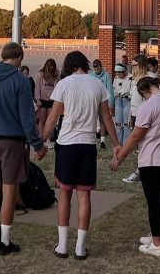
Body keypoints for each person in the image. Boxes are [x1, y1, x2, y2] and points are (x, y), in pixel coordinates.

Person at [41, 52, 119, 260]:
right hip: (87, 144)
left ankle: (63, 246)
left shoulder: (64, 84)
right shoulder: (97, 85)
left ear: (69, 65)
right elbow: (107, 118)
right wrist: (117, 144)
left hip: (66, 144)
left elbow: (52, 119)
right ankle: (80, 248)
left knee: (64, 194)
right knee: (84, 196)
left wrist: (41, 143)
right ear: (85, 64)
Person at [0, 42, 47, 256]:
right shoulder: (20, 81)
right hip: (12, 141)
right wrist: (37, 144)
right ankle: (4, 241)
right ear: (20, 58)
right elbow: (26, 117)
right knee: (8, 191)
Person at [110, 76, 160, 258]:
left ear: (143, 92)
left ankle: (157, 245)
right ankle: (157, 235)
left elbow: (135, 136)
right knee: (157, 198)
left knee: (154, 201)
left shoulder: (147, 106)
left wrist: (119, 157)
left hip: (151, 159)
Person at [121, 54, 149, 184]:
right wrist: (128, 116)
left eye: (136, 65)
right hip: (134, 114)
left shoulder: (147, 79)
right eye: (132, 65)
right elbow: (133, 99)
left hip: (143, 116)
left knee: (143, 145)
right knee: (139, 146)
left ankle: (140, 172)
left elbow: (149, 100)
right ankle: (140, 172)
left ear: (142, 65)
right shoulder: (135, 79)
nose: (134, 68)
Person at [89, 59, 113, 150]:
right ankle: (93, 140)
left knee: (103, 121)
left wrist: (111, 103)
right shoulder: (91, 76)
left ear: (101, 67)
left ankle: (102, 141)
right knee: (92, 120)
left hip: (103, 101)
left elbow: (109, 89)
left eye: (98, 69)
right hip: (93, 101)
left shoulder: (106, 76)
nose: (96, 71)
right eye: (94, 69)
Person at [34, 58, 58, 143]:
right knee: (42, 120)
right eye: (49, 68)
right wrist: (38, 100)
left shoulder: (56, 75)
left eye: (52, 68)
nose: (51, 70)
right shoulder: (40, 74)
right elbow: (37, 88)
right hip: (42, 100)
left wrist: (57, 100)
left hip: (52, 100)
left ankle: (48, 139)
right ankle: (41, 138)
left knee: (50, 120)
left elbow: (57, 87)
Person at [112, 64, 134, 144]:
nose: (118, 75)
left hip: (127, 101)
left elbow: (133, 90)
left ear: (124, 71)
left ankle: (126, 143)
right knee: (118, 123)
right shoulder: (116, 78)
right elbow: (114, 88)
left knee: (126, 123)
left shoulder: (130, 77)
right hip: (118, 100)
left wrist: (129, 95)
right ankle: (119, 143)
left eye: (120, 73)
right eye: (116, 73)